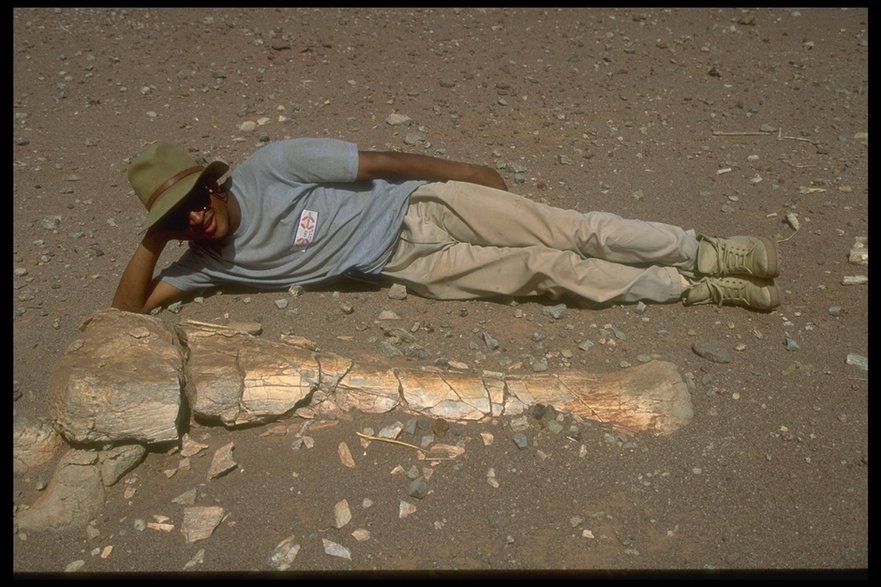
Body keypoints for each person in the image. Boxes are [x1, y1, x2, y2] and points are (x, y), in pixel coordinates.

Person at [112, 138, 780, 315]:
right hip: (403, 266)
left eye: (195, 200)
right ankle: (691, 289)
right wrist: (153, 240)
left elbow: (376, 160)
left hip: (420, 205)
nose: (195, 217)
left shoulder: (276, 165)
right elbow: (129, 310)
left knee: (569, 230)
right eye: (177, 220)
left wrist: (465, 172)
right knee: (545, 274)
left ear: (214, 181)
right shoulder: (203, 262)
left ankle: (706, 251)